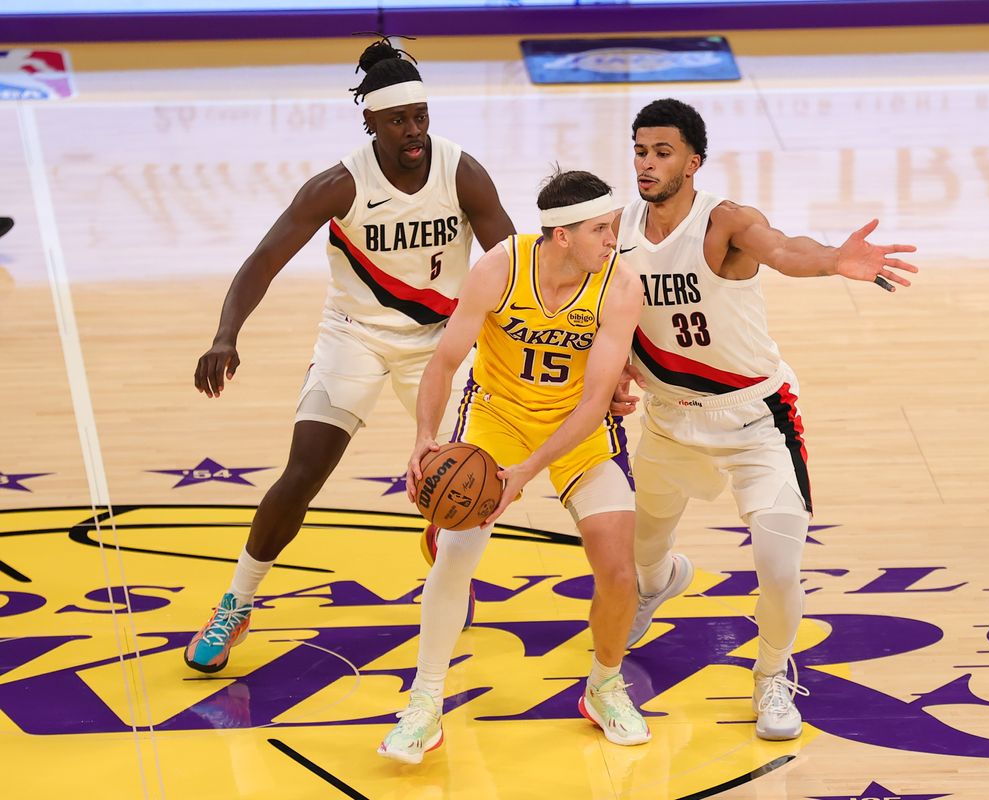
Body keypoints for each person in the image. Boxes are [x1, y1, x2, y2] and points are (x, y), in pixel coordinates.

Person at [184, 38, 515, 674]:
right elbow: (264, 259)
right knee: (304, 471)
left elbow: (513, 263)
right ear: (369, 121)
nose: (414, 131)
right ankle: (237, 601)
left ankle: (447, 555)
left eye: (420, 115)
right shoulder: (338, 185)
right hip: (355, 337)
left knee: (474, 472)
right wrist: (226, 334)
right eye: (398, 120)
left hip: (441, 344)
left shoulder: (461, 171)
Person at [610, 98, 918, 741]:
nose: (646, 163)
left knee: (779, 568)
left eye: (662, 152)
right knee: (644, 553)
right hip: (669, 420)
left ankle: (773, 675)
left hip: (755, 421)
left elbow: (783, 249)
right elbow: (596, 313)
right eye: (640, 150)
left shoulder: (724, 222)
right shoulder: (617, 231)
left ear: (693, 162)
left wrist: (835, 258)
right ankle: (660, 584)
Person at [378, 169, 646, 764]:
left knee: (620, 573)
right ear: (561, 236)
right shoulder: (499, 268)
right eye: (602, 229)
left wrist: (527, 472)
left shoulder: (621, 286)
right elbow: (445, 362)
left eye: (614, 228)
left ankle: (604, 686)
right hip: (496, 418)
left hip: (576, 429)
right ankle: (424, 706)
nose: (614, 240)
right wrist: (424, 437)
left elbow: (596, 400)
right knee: (455, 556)